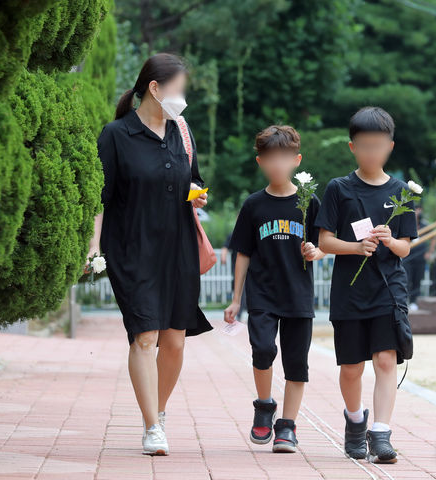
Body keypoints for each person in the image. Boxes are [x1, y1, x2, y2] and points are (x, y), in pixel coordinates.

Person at [87, 53, 212, 456]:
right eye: (179, 87)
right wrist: (93, 247)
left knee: (175, 340)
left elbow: (194, 181)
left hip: (177, 249)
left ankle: (157, 410)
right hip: (132, 249)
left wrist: (198, 194)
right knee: (146, 335)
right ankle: (152, 426)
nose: (184, 96)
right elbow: (99, 198)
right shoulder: (116, 135)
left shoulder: (182, 132)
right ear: (155, 89)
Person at [315, 107, 417, 463]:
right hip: (350, 290)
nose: (372, 152)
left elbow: (405, 248)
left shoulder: (402, 192)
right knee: (352, 368)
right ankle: (356, 421)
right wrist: (357, 248)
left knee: (386, 360)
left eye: (378, 145)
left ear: (390, 146)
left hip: (389, 290)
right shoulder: (338, 189)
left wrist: (389, 241)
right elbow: (325, 241)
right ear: (352, 147)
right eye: (365, 145)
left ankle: (381, 433)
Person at [223, 125, 325, 453]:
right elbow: (242, 253)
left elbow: (324, 244)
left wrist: (317, 251)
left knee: (297, 363)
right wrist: (236, 298)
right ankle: (264, 405)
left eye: (283, 158)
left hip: (298, 294)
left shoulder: (309, 203)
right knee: (263, 349)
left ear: (296, 160)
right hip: (263, 294)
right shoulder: (254, 205)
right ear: (260, 162)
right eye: (270, 158)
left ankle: (288, 427)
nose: (277, 164)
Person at [221, 227, 247, 321]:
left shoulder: (252, 232)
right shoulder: (233, 234)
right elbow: (225, 246)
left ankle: (241, 313)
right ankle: (239, 312)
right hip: (237, 268)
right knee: (239, 289)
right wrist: (223, 256)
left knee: (244, 291)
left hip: (251, 269)